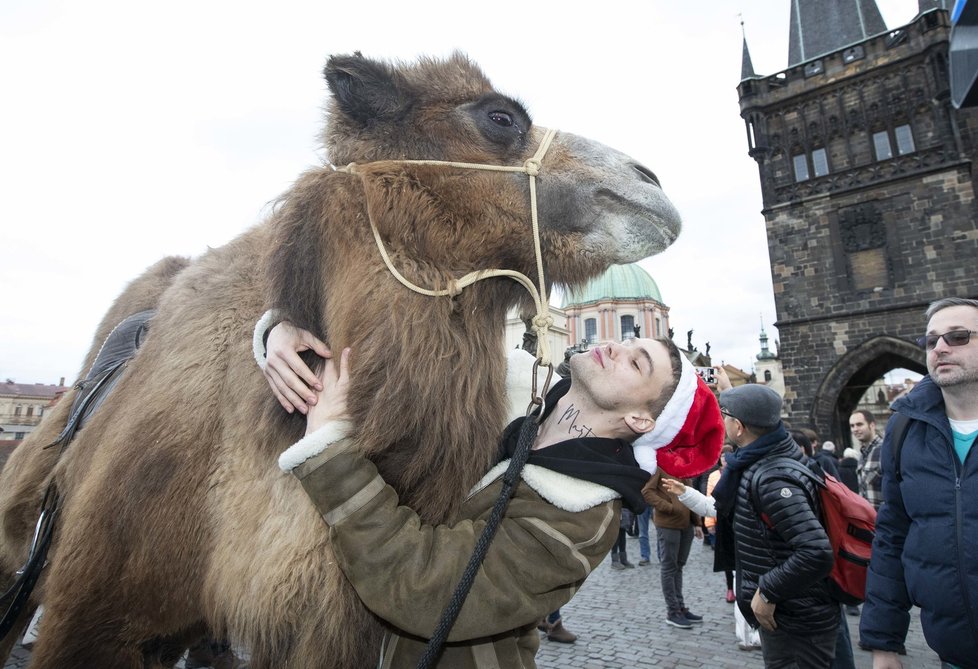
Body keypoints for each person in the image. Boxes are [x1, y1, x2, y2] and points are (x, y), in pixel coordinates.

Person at [260, 321, 725, 668]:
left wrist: (331, 453)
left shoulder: (584, 519)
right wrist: (287, 335)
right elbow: (382, 341)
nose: (614, 347)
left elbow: (427, 588)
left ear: (642, 422)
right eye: (628, 342)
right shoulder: (498, 381)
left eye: (636, 362)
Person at [859, 297, 978, 669]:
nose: (940, 347)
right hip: (953, 652)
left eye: (958, 336)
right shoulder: (906, 427)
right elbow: (893, 533)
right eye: (931, 340)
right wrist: (883, 644)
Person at [712, 383, 839, 668]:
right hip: (791, 613)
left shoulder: (772, 477)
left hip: (795, 619)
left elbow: (816, 551)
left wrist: (767, 592)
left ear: (739, 427)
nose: (722, 420)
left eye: (724, 415)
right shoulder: (762, 457)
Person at [644, 470, 702, 628]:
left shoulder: (684, 468)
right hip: (668, 524)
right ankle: (672, 611)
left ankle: (680, 607)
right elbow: (647, 491)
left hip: (686, 525)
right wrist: (668, 507)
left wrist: (697, 523)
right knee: (669, 567)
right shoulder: (660, 468)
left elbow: (690, 495)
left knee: (679, 566)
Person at [850, 410, 883, 510]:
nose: (855, 429)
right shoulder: (862, 454)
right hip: (869, 521)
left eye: (859, 424)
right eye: (852, 426)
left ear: (872, 425)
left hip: (887, 520)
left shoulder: (885, 450)